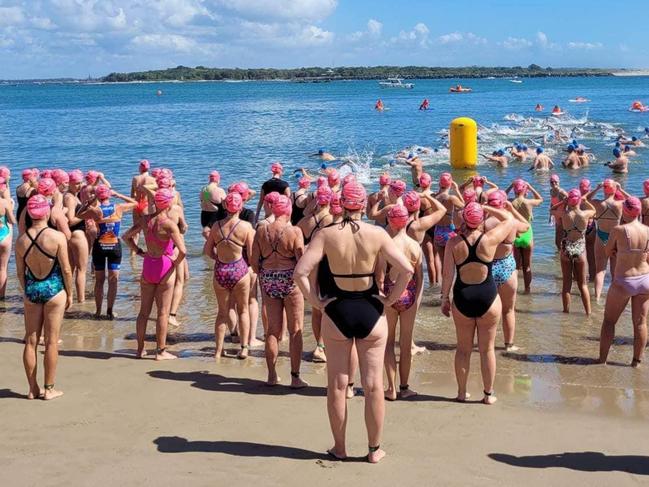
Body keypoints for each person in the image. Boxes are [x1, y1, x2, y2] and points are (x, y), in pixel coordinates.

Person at [294, 181, 413, 463]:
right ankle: (374, 450)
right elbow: (407, 269)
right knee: (373, 385)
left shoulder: (326, 234)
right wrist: (389, 299)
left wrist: (316, 303)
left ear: (342, 203)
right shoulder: (377, 233)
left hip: (337, 311)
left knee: (337, 384)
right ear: (362, 205)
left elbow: (300, 273)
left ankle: (340, 448)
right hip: (371, 310)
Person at [441, 202, 514, 405]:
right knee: (487, 350)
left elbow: (447, 275)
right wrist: (488, 208)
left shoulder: (453, 243)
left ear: (464, 219)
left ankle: (462, 393)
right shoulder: (490, 239)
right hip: (488, 298)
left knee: (463, 349)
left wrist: (444, 298)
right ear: (481, 219)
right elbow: (509, 220)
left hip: (462, 297)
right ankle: (488, 395)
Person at [16, 195, 73, 400]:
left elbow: (20, 273)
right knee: (50, 343)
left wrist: (27, 289)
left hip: (32, 289)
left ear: (30, 214)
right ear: (47, 212)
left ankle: (32, 388)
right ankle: (49, 389)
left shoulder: (21, 240)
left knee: (30, 342)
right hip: (54, 289)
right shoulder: (57, 237)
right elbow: (66, 269)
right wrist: (71, 293)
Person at [123, 188, 186, 360]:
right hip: (164, 265)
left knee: (143, 312)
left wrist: (138, 250)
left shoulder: (145, 220)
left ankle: (140, 349)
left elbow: (126, 237)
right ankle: (160, 352)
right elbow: (183, 251)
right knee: (162, 313)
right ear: (169, 203)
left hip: (148, 264)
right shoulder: (169, 224)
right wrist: (175, 263)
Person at [251, 195, 307, 387]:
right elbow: (302, 260)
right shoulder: (294, 231)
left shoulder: (261, 230)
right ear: (289, 210)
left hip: (268, 278)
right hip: (289, 281)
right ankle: (295, 377)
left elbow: (254, 262)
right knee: (295, 329)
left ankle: (272, 375)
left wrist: (267, 274)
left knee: (272, 330)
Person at [379, 205, 423, 400]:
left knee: (388, 343)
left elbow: (380, 277)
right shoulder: (415, 246)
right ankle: (404, 387)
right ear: (407, 221)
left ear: (390, 221)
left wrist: (381, 297)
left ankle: (391, 388)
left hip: (390, 293)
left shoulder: (387, 245)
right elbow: (420, 277)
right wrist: (416, 299)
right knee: (406, 344)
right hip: (410, 295)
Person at [204, 191, 255, 359]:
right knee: (243, 310)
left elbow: (207, 251)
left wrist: (218, 258)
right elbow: (252, 253)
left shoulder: (216, 226)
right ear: (240, 207)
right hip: (239, 269)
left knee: (222, 313)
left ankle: (218, 351)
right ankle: (244, 348)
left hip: (221, 270)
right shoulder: (246, 227)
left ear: (225, 206)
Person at [598, 197, 648, 367]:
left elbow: (607, 251)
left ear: (624, 211)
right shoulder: (647, 230)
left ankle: (602, 360)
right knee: (641, 322)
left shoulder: (619, 230)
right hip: (645, 279)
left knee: (609, 321)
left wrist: (616, 251)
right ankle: (636, 362)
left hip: (624, 280)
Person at [485, 191, 529, 351]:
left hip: (488, 267)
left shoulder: (484, 223)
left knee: (487, 310)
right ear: (503, 204)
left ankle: (486, 343)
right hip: (506, 266)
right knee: (508, 310)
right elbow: (527, 226)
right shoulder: (511, 222)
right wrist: (511, 209)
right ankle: (509, 344)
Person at [86, 185, 136, 319]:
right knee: (113, 281)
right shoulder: (118, 207)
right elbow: (135, 203)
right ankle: (110, 311)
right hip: (114, 247)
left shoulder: (95, 210)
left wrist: (90, 202)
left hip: (99, 246)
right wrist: (118, 194)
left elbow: (78, 214)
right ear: (109, 195)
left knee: (99, 281)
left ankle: (97, 311)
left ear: (98, 196)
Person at [297, 185, 333, 362]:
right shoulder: (332, 220)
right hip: (326, 265)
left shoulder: (306, 221)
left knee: (316, 307)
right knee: (327, 307)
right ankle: (322, 347)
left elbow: (296, 236)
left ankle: (318, 346)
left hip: (311, 265)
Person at [552, 189, 596, 314]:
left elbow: (551, 210)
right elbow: (594, 210)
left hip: (566, 248)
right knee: (583, 285)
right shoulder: (585, 214)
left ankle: (566, 311)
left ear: (569, 200)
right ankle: (588, 313)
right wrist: (585, 201)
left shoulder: (564, 214)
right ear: (579, 200)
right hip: (580, 248)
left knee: (566, 284)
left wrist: (563, 203)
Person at [586, 180, 626, 300]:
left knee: (600, 271)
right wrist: (621, 189)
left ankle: (597, 297)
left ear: (604, 189)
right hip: (615, 239)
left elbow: (585, 198)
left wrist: (597, 188)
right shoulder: (619, 204)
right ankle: (614, 297)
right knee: (615, 272)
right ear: (614, 190)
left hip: (601, 236)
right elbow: (633, 200)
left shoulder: (598, 203)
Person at [505, 179, 543, 293]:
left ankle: (514, 289)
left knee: (516, 266)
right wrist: (530, 187)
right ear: (524, 190)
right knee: (527, 266)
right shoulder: (528, 202)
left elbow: (502, 195)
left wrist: (511, 185)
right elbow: (540, 199)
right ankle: (527, 289)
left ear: (515, 190)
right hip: (527, 234)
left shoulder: (510, 202)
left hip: (515, 234)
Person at [63, 170, 90, 303]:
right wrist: (85, 214)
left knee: (72, 268)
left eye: (81, 183)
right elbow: (70, 220)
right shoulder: (69, 197)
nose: (80, 186)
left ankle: (70, 298)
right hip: (77, 234)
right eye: (77, 184)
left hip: (72, 235)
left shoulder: (73, 195)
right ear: (70, 183)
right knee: (81, 270)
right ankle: (81, 300)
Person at [434, 173, 464, 276]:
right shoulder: (451, 198)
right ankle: (451, 289)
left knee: (443, 263)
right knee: (454, 264)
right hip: (449, 232)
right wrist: (457, 190)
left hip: (437, 232)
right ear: (450, 183)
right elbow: (464, 206)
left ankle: (444, 288)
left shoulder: (434, 196)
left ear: (439, 184)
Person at [199, 171, 226, 239]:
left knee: (210, 239)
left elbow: (207, 201)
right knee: (217, 239)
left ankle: (210, 249)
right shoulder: (219, 190)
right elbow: (226, 205)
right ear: (218, 179)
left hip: (204, 216)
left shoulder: (204, 190)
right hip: (215, 217)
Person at [0, 189, 16, 299]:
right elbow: (12, 221)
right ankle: (1, 298)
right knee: (2, 268)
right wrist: (12, 207)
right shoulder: (4, 202)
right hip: (3, 235)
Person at [549, 174, 568, 250]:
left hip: (563, 215)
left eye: (555, 182)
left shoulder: (561, 192)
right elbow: (552, 203)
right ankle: (558, 256)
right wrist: (550, 216)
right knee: (557, 239)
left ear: (559, 182)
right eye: (552, 182)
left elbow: (570, 201)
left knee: (563, 236)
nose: (554, 183)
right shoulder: (551, 191)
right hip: (556, 215)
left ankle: (564, 255)